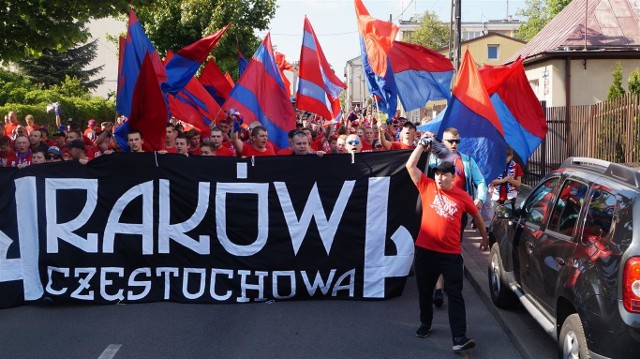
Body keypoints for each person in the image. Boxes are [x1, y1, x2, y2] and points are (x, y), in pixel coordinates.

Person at [406, 141, 489, 353]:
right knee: (425, 292)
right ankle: (426, 323)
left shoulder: (462, 196)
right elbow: (410, 166)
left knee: (455, 295)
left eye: (444, 175)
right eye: (437, 174)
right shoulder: (427, 186)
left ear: (453, 177)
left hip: (450, 255)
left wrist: (484, 237)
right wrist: (420, 146)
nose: (439, 178)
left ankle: (459, 336)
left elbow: (477, 215)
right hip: (425, 251)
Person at [428, 127, 487, 307]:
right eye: (450, 141)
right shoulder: (433, 160)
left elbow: (480, 181)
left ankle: (449, 284)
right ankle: (439, 288)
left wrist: (480, 198)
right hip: (437, 209)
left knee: (453, 247)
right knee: (438, 248)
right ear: (442, 142)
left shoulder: (467, 160)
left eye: (457, 141)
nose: (454, 145)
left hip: (459, 212)